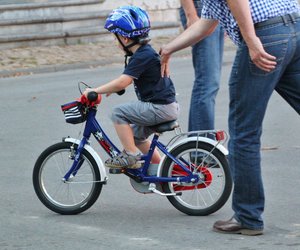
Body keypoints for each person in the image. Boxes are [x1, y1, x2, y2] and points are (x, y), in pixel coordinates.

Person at [160, 0, 300, 236]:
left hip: (264, 34)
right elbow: (207, 24)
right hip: (294, 28)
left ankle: (248, 217)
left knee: (245, 133)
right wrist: (168, 48)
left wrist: (251, 38)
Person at [84, 6, 179, 169]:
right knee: (136, 137)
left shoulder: (142, 56)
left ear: (125, 38)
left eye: (116, 38)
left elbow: (123, 82)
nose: (116, 42)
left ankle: (130, 154)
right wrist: (111, 89)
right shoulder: (144, 53)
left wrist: (95, 90)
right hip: (166, 106)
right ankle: (161, 169)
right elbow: (126, 80)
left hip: (159, 108)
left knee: (118, 112)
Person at [179, 0, 224, 133]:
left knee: (209, 84)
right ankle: (200, 147)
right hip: (200, 11)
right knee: (207, 83)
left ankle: (198, 145)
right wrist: (191, 14)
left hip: (215, 11)